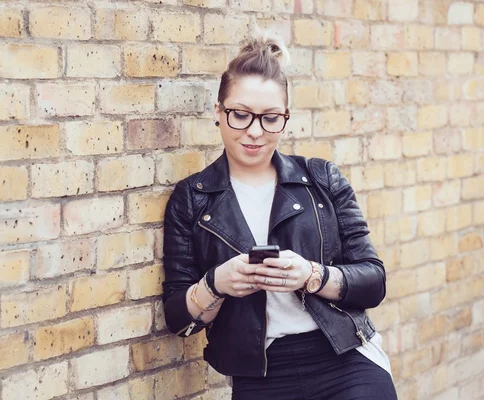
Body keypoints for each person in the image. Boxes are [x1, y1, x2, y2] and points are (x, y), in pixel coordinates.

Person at [161, 32, 398, 400]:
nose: (255, 131)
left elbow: (373, 281)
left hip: (345, 359)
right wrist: (217, 284)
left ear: (285, 119)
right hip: (262, 376)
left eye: (270, 118)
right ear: (218, 112)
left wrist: (311, 275)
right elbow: (179, 319)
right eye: (240, 115)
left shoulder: (322, 180)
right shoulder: (191, 199)